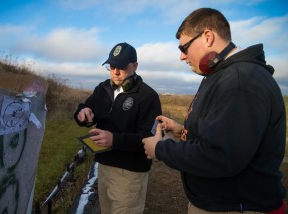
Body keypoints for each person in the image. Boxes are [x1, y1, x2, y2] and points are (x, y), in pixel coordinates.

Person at [142, 8, 286, 214]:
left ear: (208, 36)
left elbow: (220, 156)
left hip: (236, 206)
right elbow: (227, 135)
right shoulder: (220, 76)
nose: (182, 57)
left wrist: (160, 149)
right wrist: (182, 129)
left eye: (184, 48)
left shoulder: (239, 81)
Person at [74, 42, 162, 214]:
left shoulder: (148, 96)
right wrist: (82, 113)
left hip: (130, 173)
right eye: (112, 66)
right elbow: (85, 107)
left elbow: (150, 138)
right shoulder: (103, 88)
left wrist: (114, 140)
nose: (115, 71)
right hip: (104, 166)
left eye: (121, 66)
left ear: (135, 66)